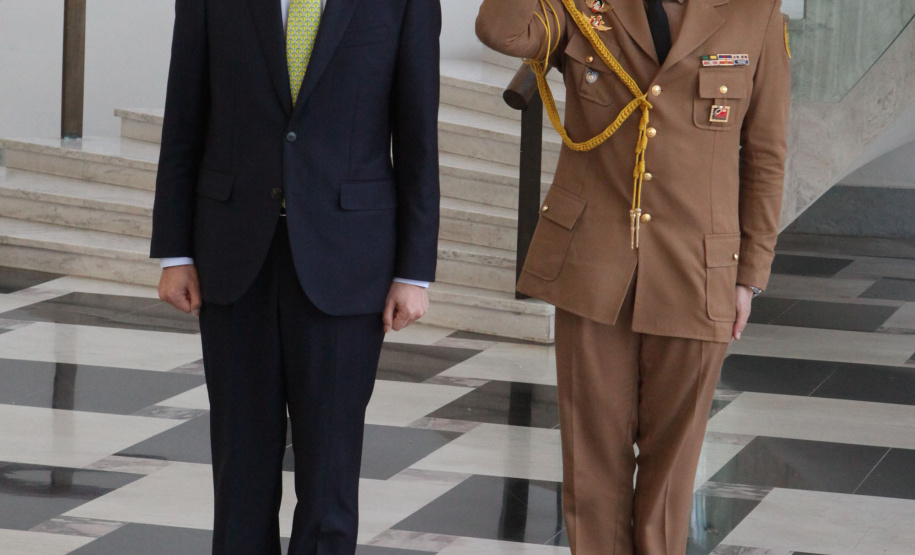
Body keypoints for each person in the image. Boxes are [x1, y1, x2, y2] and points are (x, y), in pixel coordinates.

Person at [476, 0, 790, 553]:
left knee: (671, 480)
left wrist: (750, 274)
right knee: (592, 470)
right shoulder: (581, 5)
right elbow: (501, 29)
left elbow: (765, 152)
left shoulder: (754, 11)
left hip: (699, 270)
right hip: (593, 266)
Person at [151, 0, 441, 553]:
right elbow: (184, 112)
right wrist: (174, 250)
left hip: (349, 260)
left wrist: (414, 269)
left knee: (330, 477)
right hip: (233, 258)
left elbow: (417, 131)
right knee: (240, 474)